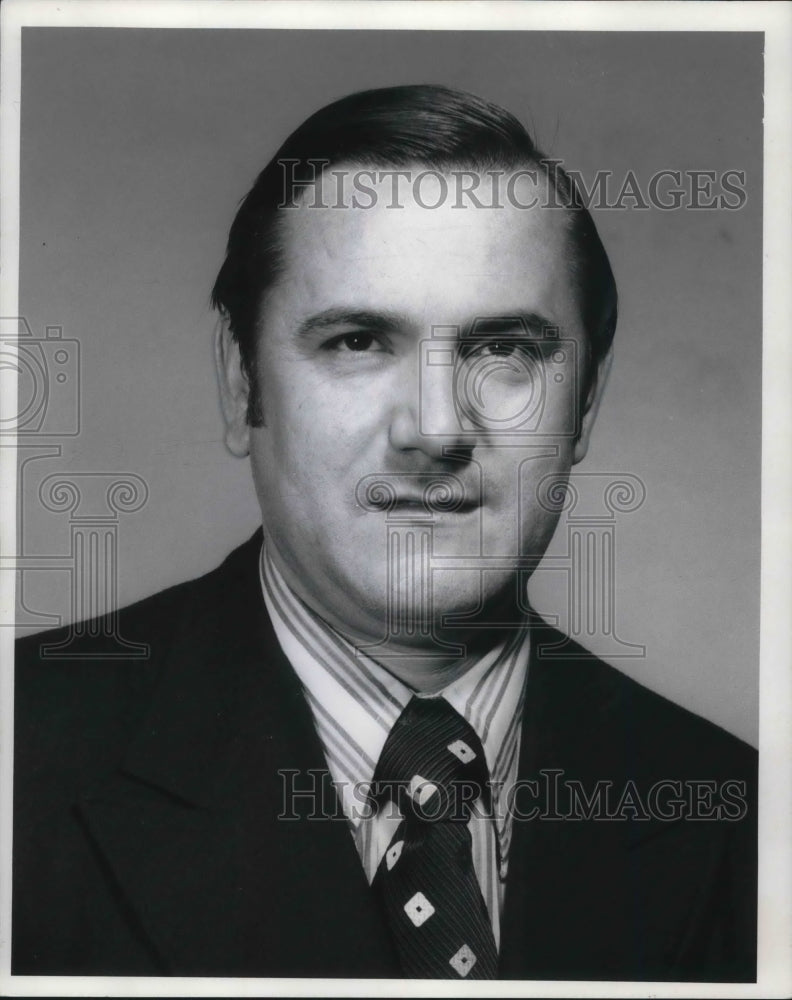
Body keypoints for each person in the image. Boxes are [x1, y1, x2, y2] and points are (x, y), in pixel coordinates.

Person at [13, 85, 756, 981]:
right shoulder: (23, 757)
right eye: (359, 341)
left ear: (586, 403)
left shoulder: (745, 821)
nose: (436, 429)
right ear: (240, 382)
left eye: (504, 350)